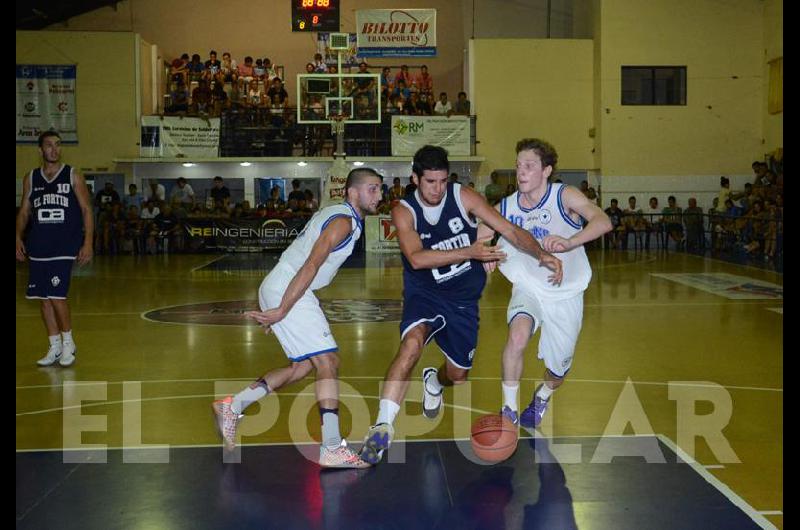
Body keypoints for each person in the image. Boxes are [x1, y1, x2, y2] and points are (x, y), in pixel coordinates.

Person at [357, 145, 563, 465]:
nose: (437, 189)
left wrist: (542, 254)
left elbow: (508, 228)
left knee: (458, 374)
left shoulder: (463, 196)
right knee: (411, 346)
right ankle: (382, 426)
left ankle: (433, 381)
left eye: (442, 181)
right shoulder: (404, 210)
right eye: (430, 182)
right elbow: (417, 258)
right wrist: (470, 252)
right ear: (415, 179)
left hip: (464, 302)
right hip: (424, 294)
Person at [212, 168, 384, 468]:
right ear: (353, 192)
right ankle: (331, 446)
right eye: (372, 189)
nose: (379, 195)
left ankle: (232, 406)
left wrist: (282, 305)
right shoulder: (342, 222)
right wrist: (282, 309)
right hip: (289, 286)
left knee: (302, 367)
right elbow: (311, 264)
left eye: (380, 189)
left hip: (282, 285)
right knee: (328, 362)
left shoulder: (341, 215)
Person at [479, 138, 611, 429]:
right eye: (518, 166)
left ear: (546, 170)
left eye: (529, 166)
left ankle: (543, 394)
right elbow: (483, 229)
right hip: (529, 286)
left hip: (566, 292)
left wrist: (570, 242)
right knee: (517, 336)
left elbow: (603, 221)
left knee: (558, 371)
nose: (521, 172)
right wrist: (484, 250)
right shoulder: (508, 205)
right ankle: (509, 411)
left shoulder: (564, 196)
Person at [15, 131, 94, 366]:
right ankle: (54, 346)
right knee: (44, 298)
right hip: (38, 245)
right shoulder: (31, 178)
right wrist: (17, 237)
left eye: (57, 145)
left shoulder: (72, 175)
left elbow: (87, 210)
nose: (54, 149)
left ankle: (69, 343)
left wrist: (88, 242)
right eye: (49, 145)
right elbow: (24, 212)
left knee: (57, 295)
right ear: (40, 150)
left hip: (63, 245)